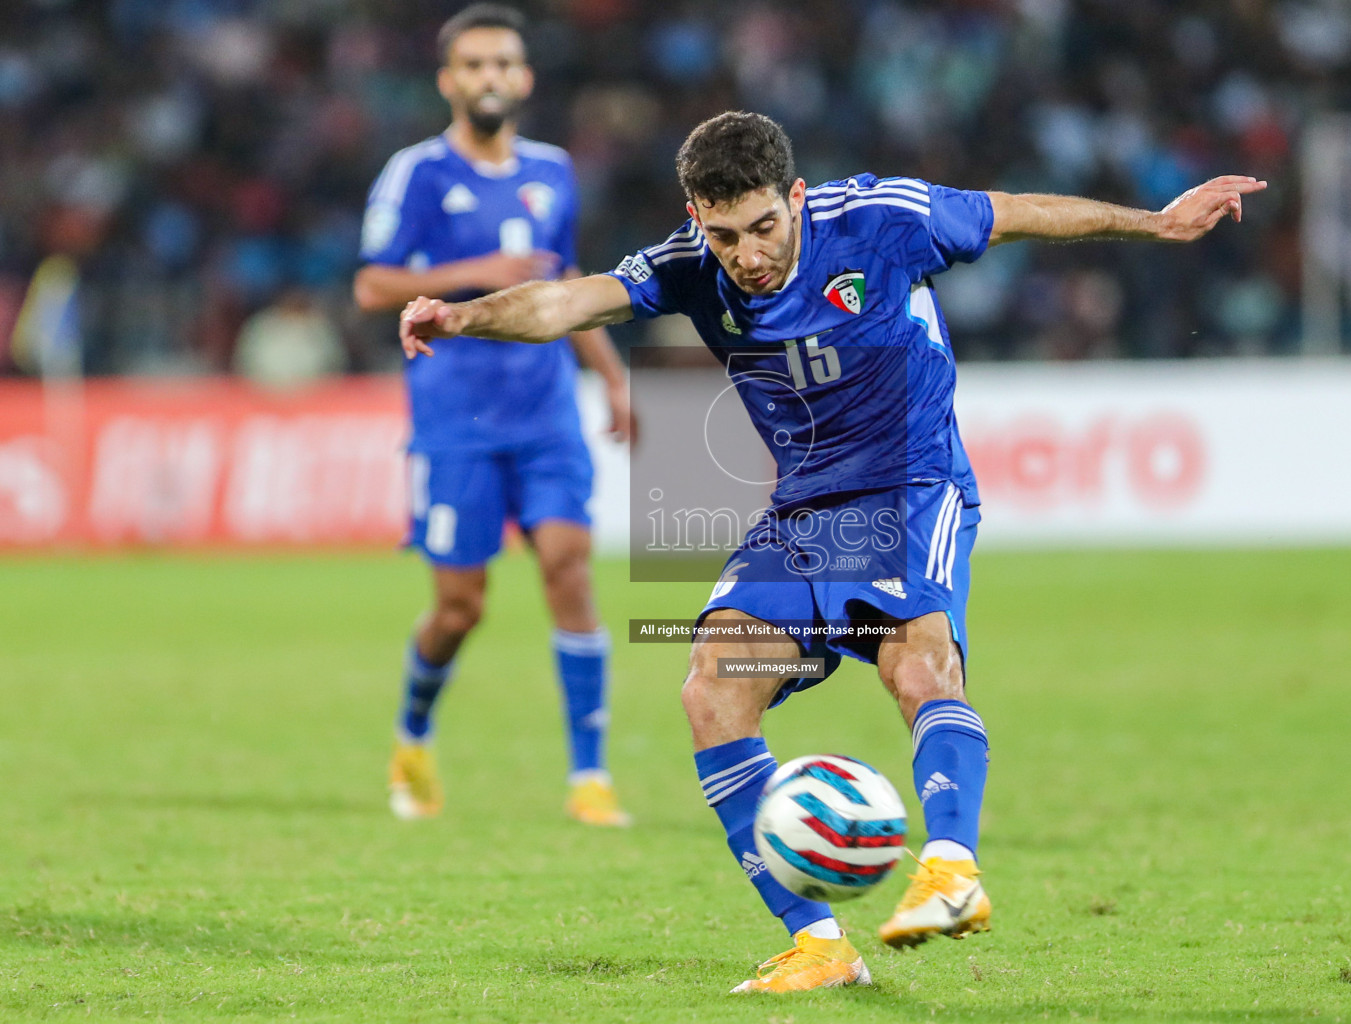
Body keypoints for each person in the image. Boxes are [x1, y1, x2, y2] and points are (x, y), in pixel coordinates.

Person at [398, 111, 1264, 992]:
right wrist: (464, 318)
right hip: (804, 512)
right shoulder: (689, 265)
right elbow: (566, 301)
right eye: (723, 233)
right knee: (713, 688)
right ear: (698, 215)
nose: (746, 254)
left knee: (918, 669)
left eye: (764, 228)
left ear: (797, 198)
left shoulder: (882, 218)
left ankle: (952, 873)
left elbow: (1013, 211)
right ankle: (820, 945)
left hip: (912, 484)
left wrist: (1156, 222)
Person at [354, 4, 633, 827]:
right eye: (472, 65)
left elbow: (566, 281)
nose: (489, 77)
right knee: (460, 607)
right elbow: (372, 286)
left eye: (502, 64)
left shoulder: (554, 171)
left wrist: (611, 377)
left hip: (546, 410)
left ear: (524, 78)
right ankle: (413, 734)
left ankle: (590, 777)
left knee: (569, 567)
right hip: (454, 420)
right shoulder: (417, 174)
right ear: (448, 81)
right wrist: (483, 271)